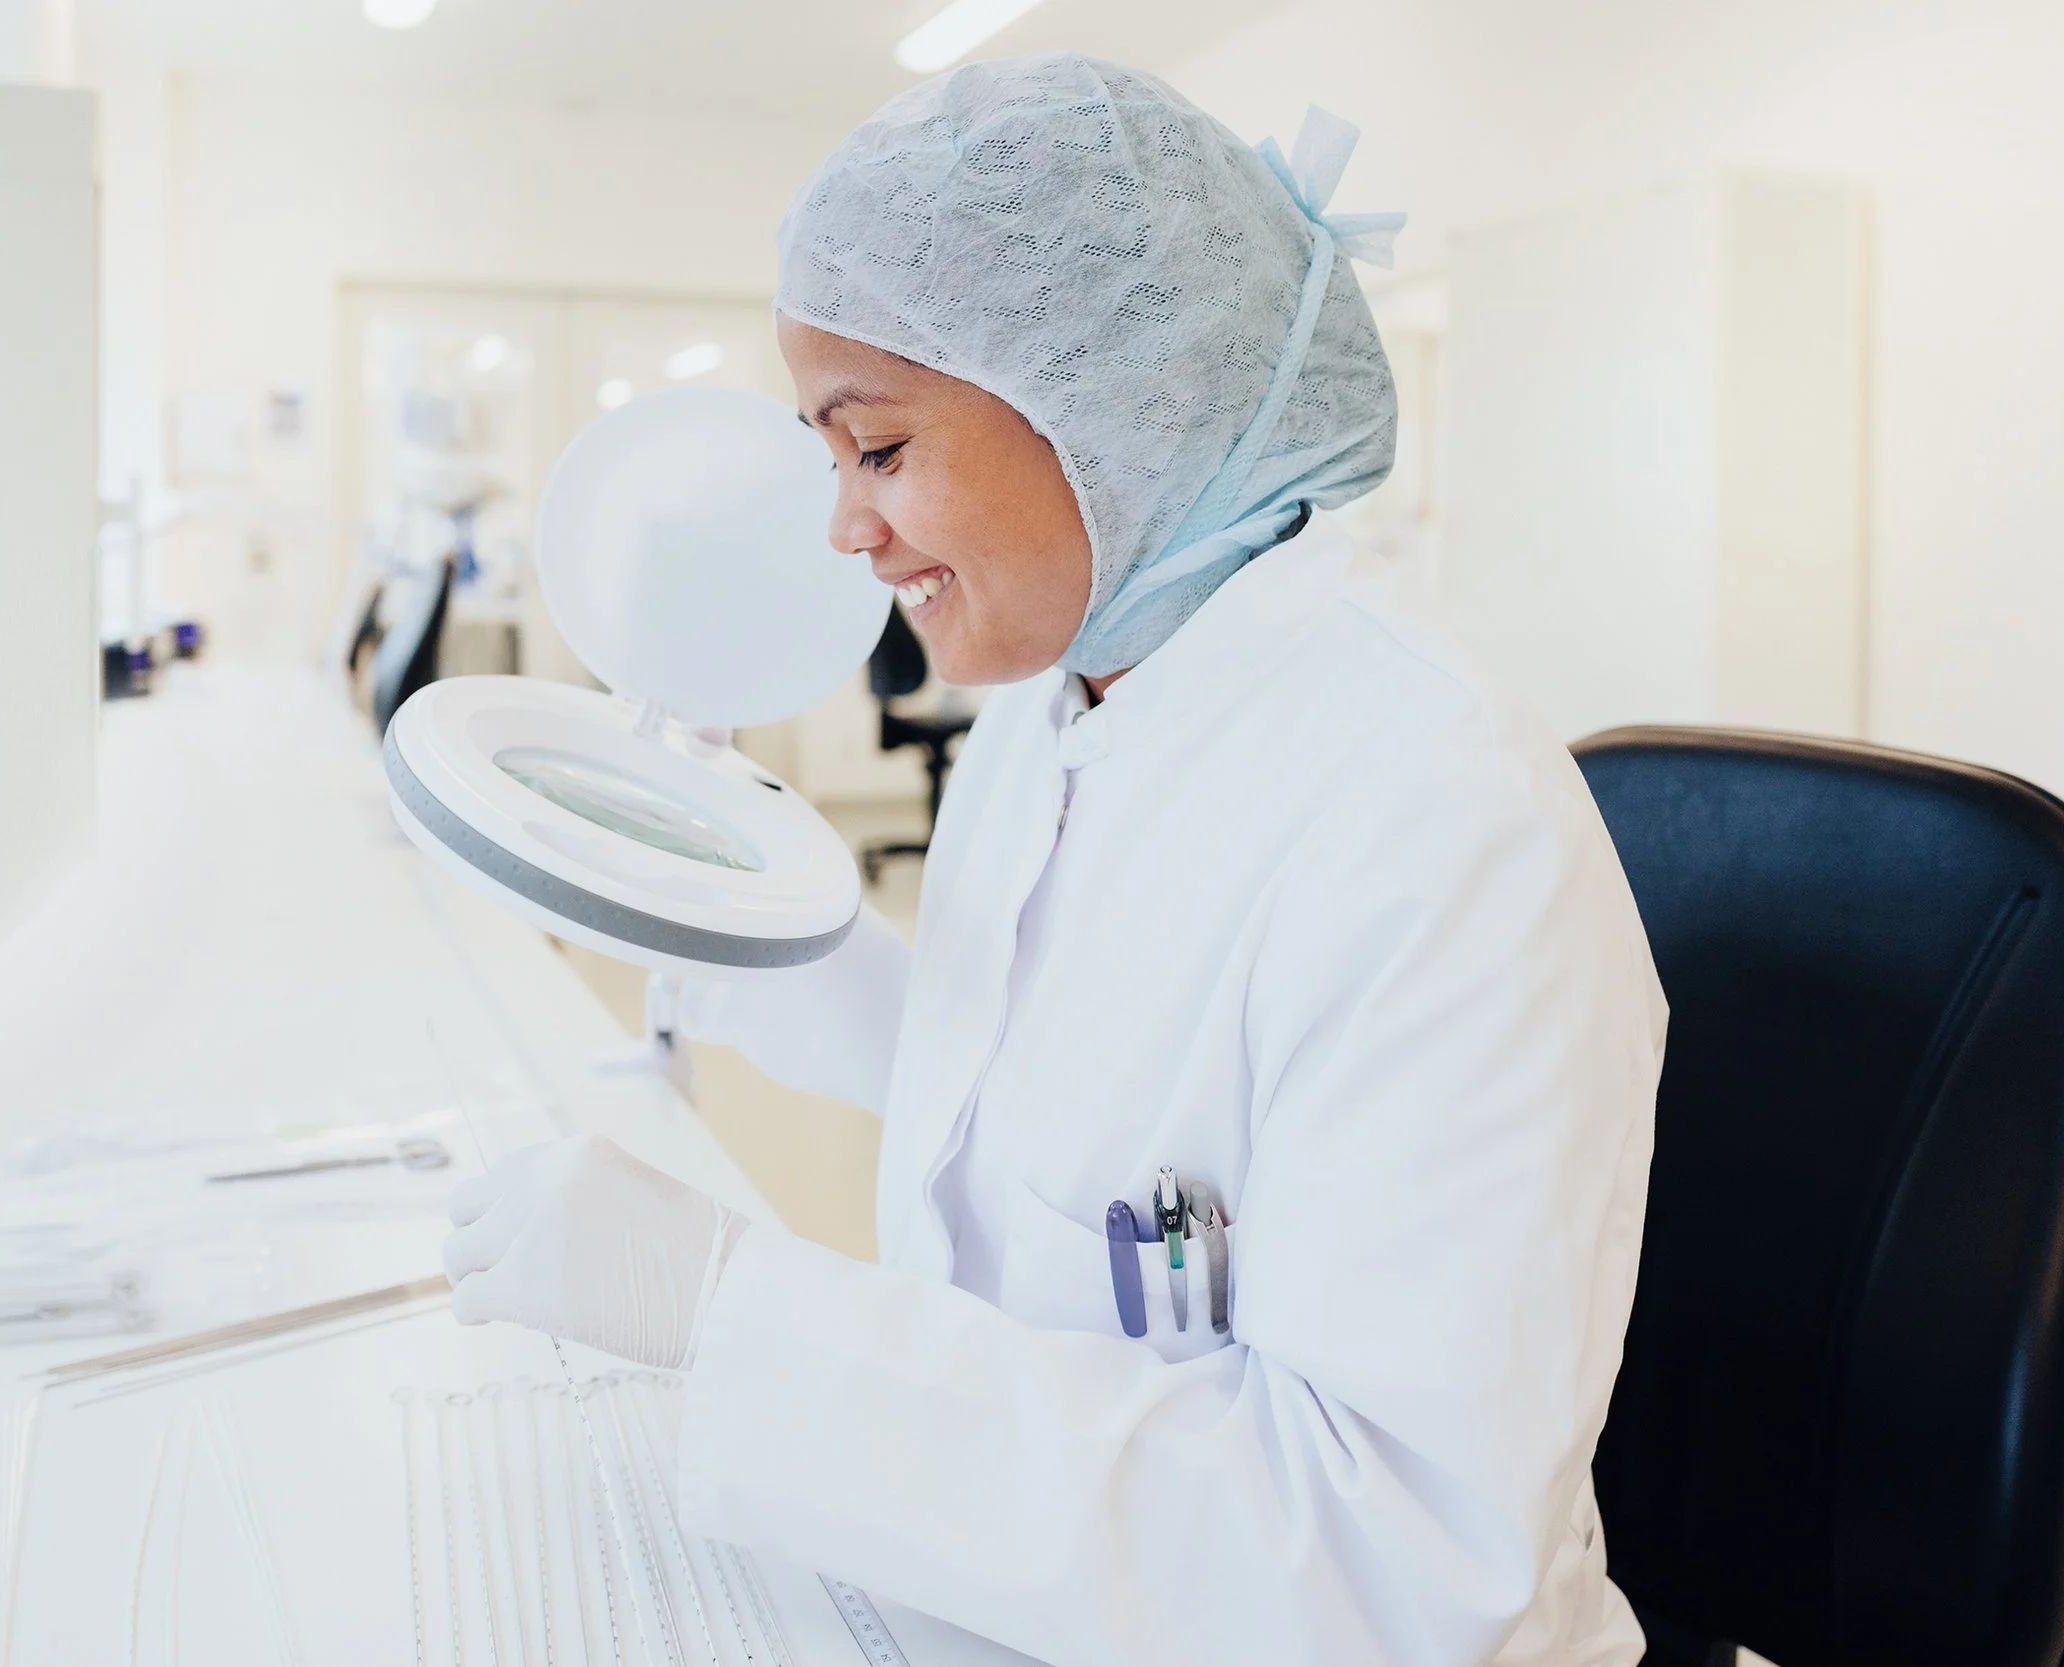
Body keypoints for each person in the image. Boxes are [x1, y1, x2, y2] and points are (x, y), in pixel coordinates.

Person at [442, 54, 1666, 1667]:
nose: (844, 528)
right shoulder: (1069, 692)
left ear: (1113, 415)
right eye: (828, 458)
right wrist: (790, 955)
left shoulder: (1439, 821)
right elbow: (1076, 1118)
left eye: (879, 449)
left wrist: (732, 1310)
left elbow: (1391, 1571)